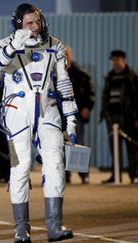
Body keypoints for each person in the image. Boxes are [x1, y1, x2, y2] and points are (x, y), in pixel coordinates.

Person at [0, 3, 76, 242]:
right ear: (19, 25)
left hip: (48, 111)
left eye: (37, 21)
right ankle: (21, 229)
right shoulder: (4, 45)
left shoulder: (55, 45)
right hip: (18, 112)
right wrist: (15, 44)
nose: (35, 27)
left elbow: (64, 83)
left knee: (56, 165)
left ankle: (54, 226)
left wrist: (72, 119)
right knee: (21, 166)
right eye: (29, 23)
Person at [100, 50, 138, 184]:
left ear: (123, 60)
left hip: (129, 118)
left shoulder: (131, 76)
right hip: (112, 117)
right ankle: (116, 175)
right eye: (113, 60)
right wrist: (105, 113)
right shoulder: (110, 76)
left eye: (117, 59)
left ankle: (134, 175)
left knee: (132, 149)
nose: (114, 62)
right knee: (115, 149)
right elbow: (106, 97)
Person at [64, 46, 94, 184]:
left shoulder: (82, 74)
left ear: (71, 56)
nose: (64, 57)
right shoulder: (54, 73)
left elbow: (90, 93)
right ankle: (65, 175)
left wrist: (87, 107)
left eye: (66, 54)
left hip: (77, 113)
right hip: (60, 115)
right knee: (61, 145)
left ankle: (84, 175)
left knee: (78, 144)